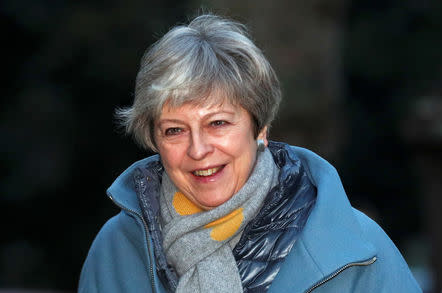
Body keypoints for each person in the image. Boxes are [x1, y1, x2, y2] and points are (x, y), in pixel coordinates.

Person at [78, 14, 421, 293]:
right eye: (175, 130)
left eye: (218, 123)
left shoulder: (358, 247)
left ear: (260, 128)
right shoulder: (116, 250)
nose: (198, 149)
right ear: (153, 139)